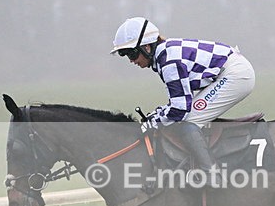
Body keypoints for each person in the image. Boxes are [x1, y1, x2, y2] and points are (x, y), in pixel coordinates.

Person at [110, 17, 256, 185]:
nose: (131, 60)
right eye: (125, 54)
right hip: (231, 70)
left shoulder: (169, 61)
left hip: (236, 75)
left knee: (188, 122)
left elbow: (180, 110)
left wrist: (153, 123)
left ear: (147, 47)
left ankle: (212, 175)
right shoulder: (164, 55)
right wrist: (159, 115)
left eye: (132, 53)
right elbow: (180, 101)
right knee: (184, 117)